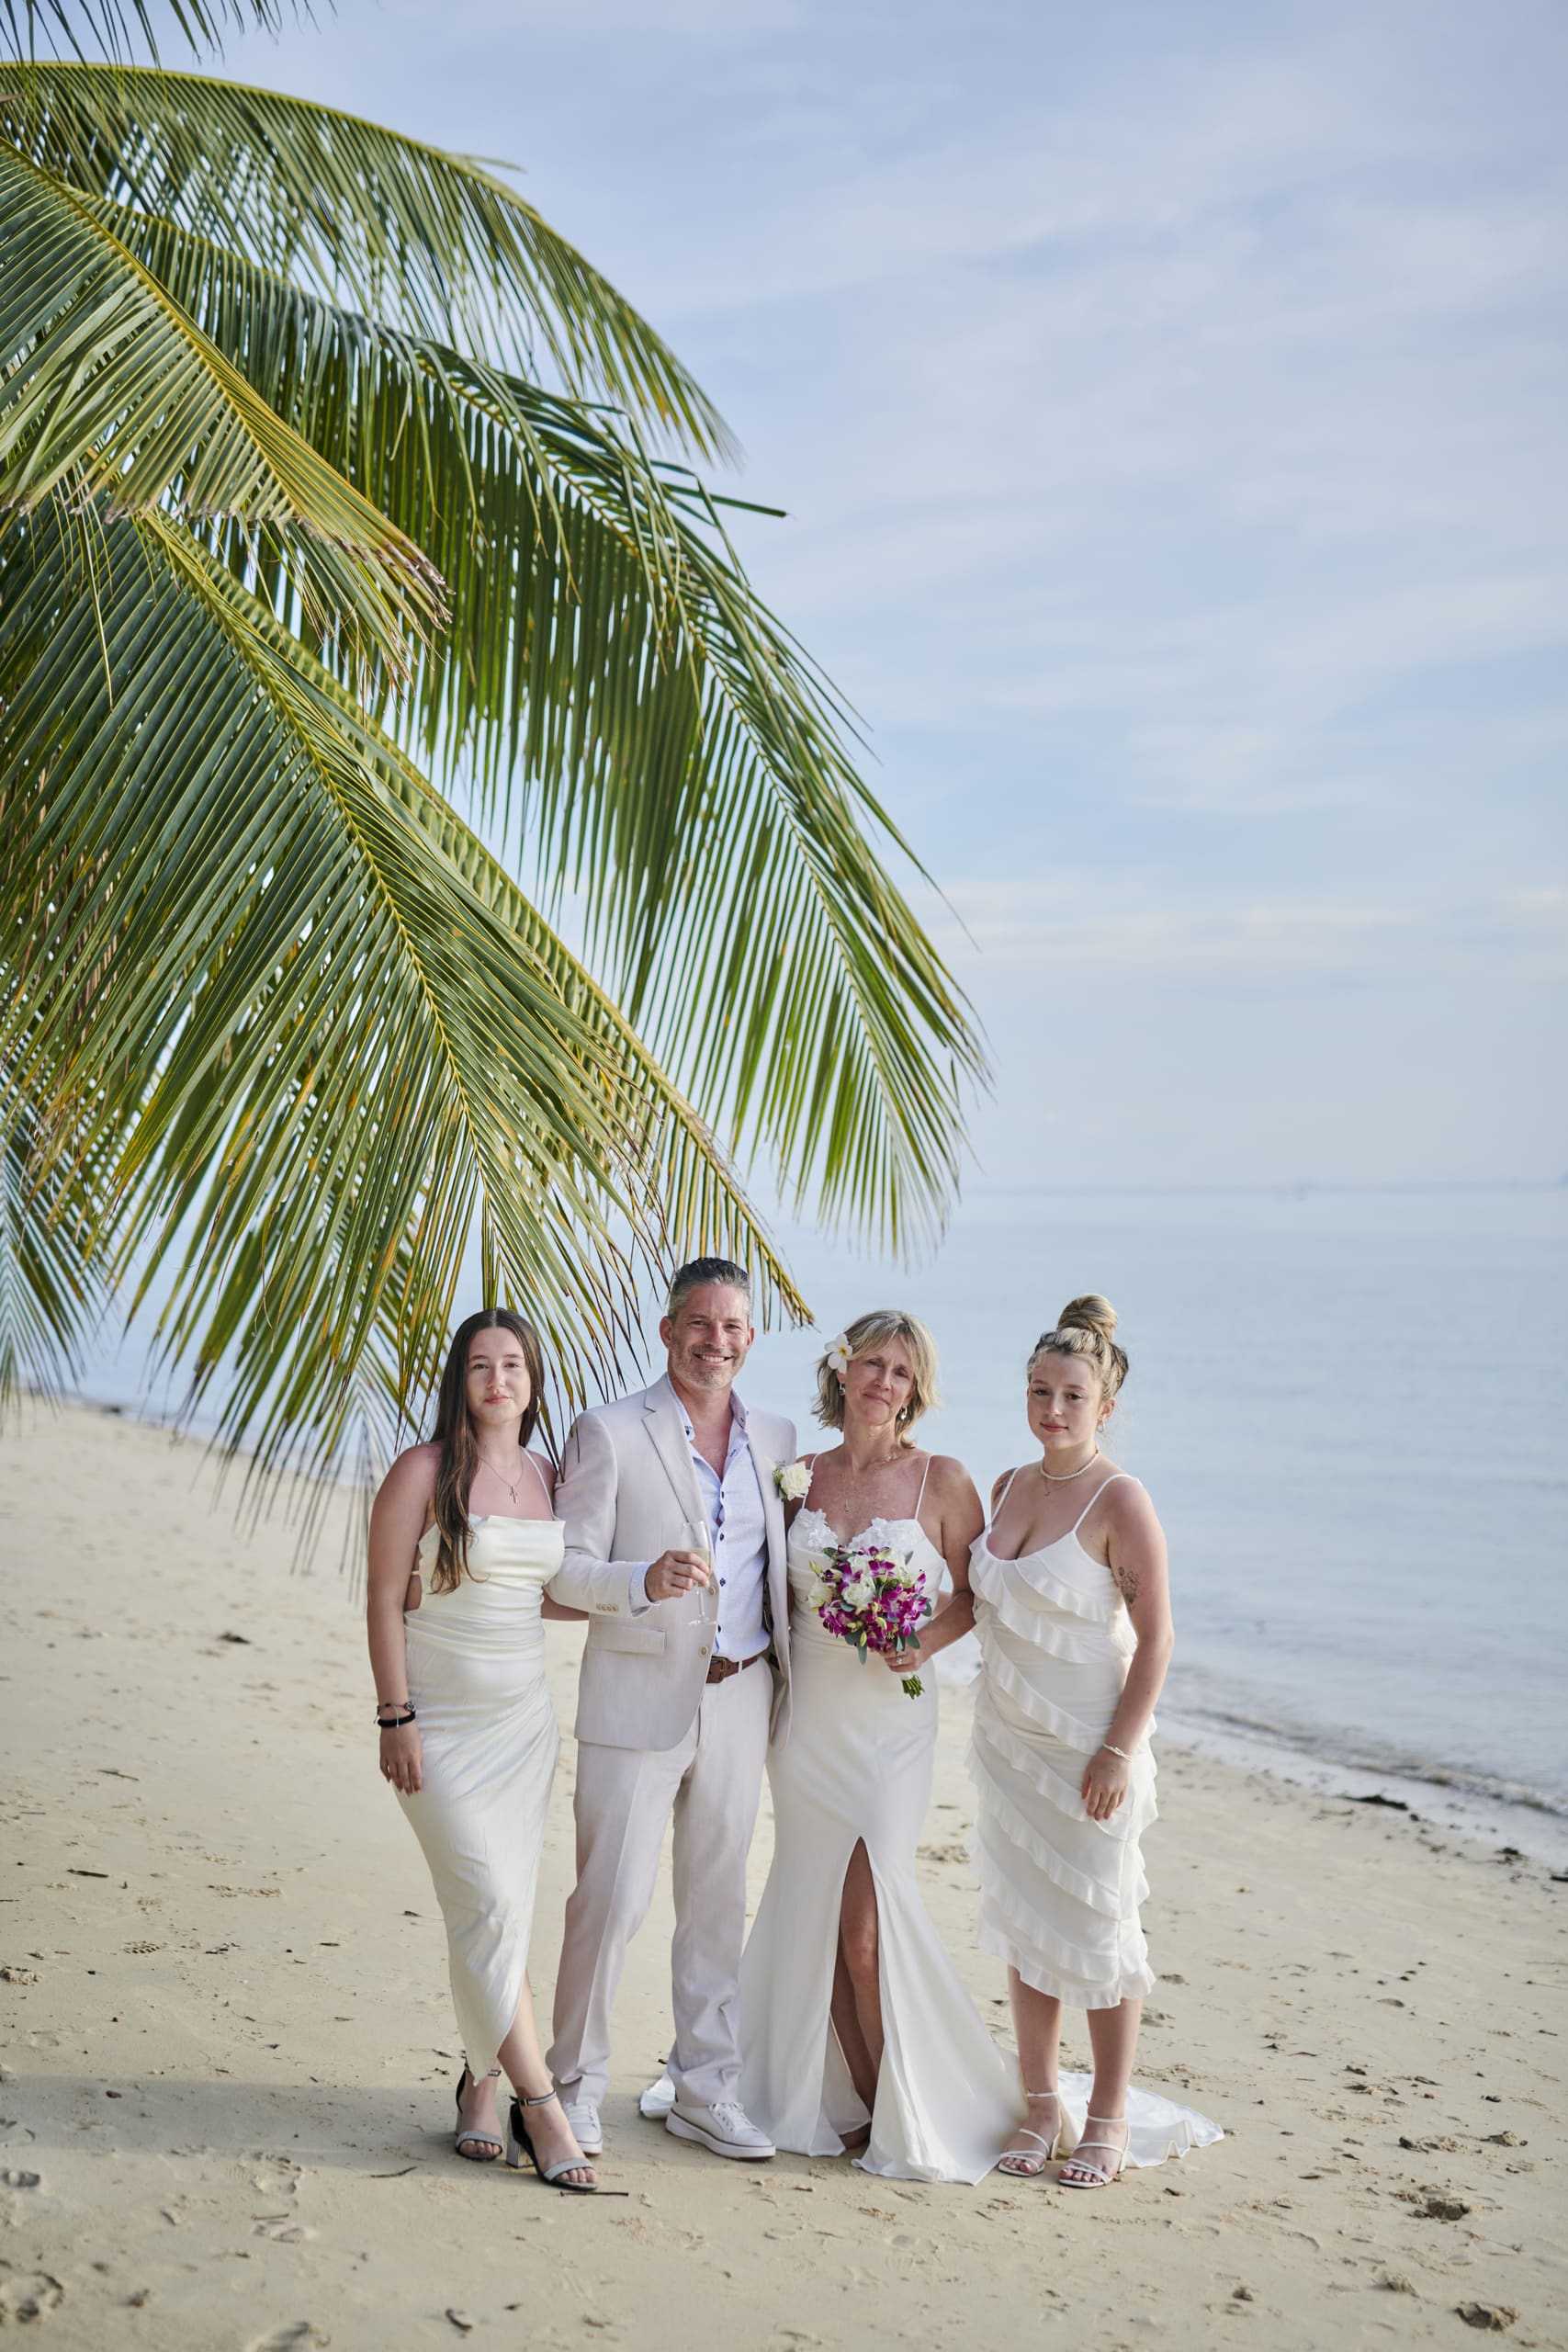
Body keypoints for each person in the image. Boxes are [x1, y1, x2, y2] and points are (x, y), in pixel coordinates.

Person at [738, 1311, 1022, 2182]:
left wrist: (924, 1643)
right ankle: (864, 2101)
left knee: (865, 1925)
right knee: (814, 1910)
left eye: (901, 1372)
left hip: (893, 1724)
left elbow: (976, 1595)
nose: (883, 1383)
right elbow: (758, 1590)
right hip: (810, 1720)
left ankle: (898, 2094)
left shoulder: (941, 1479)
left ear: (916, 1389)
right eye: (871, 1364)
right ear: (842, 1371)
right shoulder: (794, 1477)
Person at [545, 1258, 794, 2162]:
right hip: (634, 1700)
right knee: (609, 1904)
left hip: (742, 1693)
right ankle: (570, 2090)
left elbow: (787, 1573)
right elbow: (564, 1569)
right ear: (666, 1329)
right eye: (699, 1322)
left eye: (731, 1326)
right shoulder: (608, 1429)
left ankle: (703, 2088)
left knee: (718, 1907)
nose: (713, 1341)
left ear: (750, 1339)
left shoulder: (779, 1437)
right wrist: (637, 1581)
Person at [969, 1295, 1219, 2186]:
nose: (1053, 1410)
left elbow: (1157, 1640)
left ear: (1104, 1404)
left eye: (1072, 1395)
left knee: (1103, 1929)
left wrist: (1118, 1748)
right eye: (1040, 1391)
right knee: (1028, 1927)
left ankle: (1107, 2114)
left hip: (1089, 1751)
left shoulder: (1122, 1499)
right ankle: (1043, 2105)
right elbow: (980, 1602)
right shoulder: (1006, 1486)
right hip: (1010, 1746)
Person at [367, 1308, 596, 2189]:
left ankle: (478, 2080)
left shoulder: (548, 1475)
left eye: (512, 1366)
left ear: (533, 1381)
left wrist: (641, 1594)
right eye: (479, 1367)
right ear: (458, 1383)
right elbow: (386, 1597)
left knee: (498, 1910)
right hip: (441, 1727)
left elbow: (543, 1594)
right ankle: (541, 2105)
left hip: (522, 1730)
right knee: (489, 1904)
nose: (498, 1380)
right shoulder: (423, 1470)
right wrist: (396, 1717)